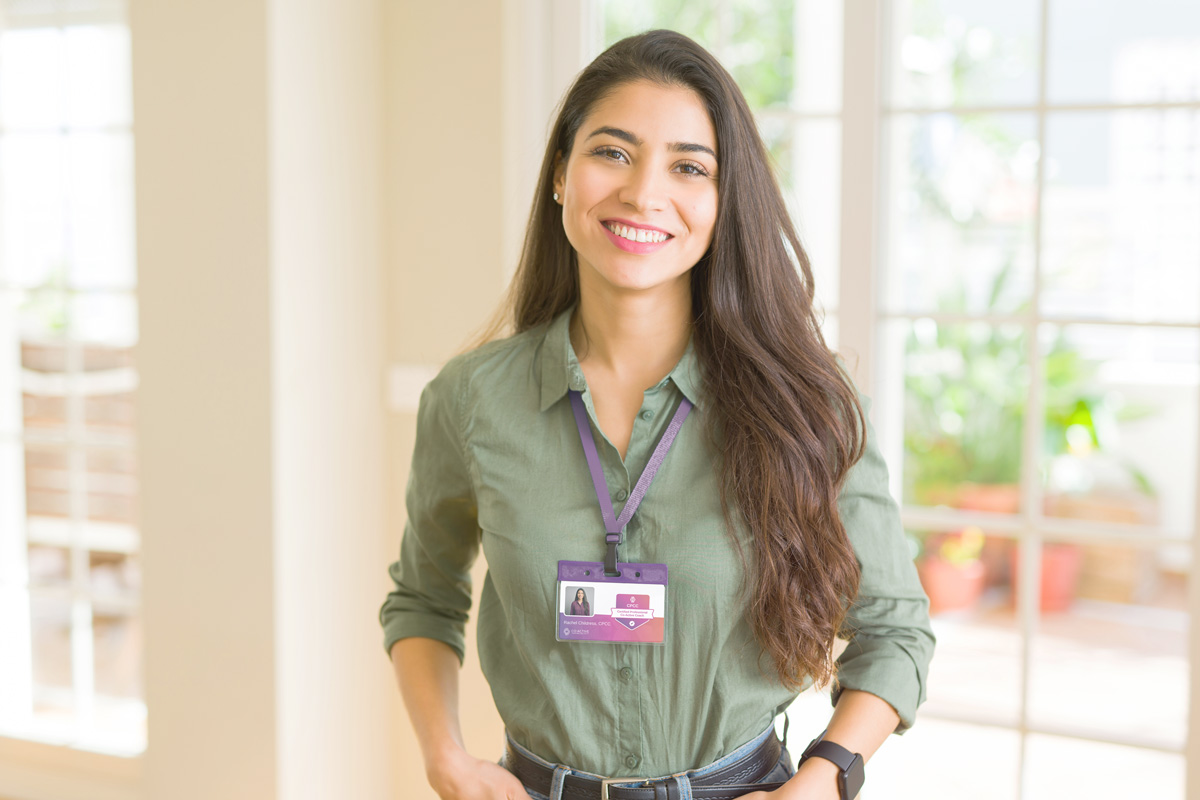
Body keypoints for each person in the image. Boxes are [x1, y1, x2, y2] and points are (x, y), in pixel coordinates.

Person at [381, 29, 935, 800]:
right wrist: (445, 756)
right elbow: (424, 597)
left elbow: (896, 631)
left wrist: (821, 781)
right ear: (559, 177)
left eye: (688, 166)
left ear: (722, 200)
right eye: (612, 153)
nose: (644, 194)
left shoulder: (812, 402)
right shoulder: (472, 400)